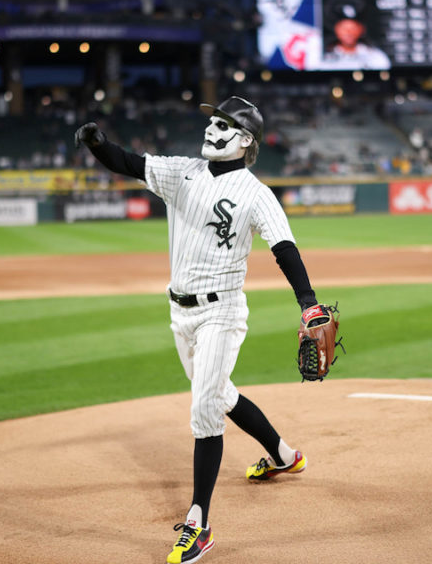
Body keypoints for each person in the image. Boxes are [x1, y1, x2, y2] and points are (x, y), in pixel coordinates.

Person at [75, 96, 322, 564]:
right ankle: (285, 456)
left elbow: (284, 247)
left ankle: (199, 523)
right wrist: (97, 143)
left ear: (245, 140)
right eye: (211, 120)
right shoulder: (182, 172)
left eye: (224, 123)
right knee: (221, 394)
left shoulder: (256, 193)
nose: (212, 127)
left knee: (204, 407)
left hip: (221, 313)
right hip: (180, 314)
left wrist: (307, 303)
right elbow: (128, 162)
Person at [322, 0, 391, 70]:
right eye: (344, 28)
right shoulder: (324, 55)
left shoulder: (374, 56)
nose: (349, 33)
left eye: (353, 28)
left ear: (361, 30)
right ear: (336, 29)